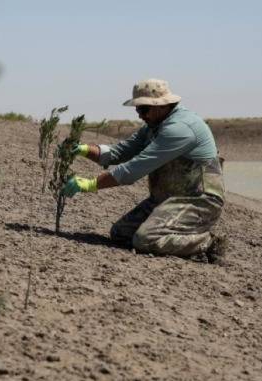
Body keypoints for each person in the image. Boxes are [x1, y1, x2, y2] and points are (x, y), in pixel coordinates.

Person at [63, 78, 226, 262]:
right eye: (138, 109)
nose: (140, 115)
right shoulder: (153, 125)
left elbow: (134, 169)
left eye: (143, 109)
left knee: (146, 239)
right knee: (120, 234)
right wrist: (83, 149)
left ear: (162, 105)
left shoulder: (180, 129)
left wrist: (90, 185)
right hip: (166, 198)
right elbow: (120, 152)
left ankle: (206, 242)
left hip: (198, 201)